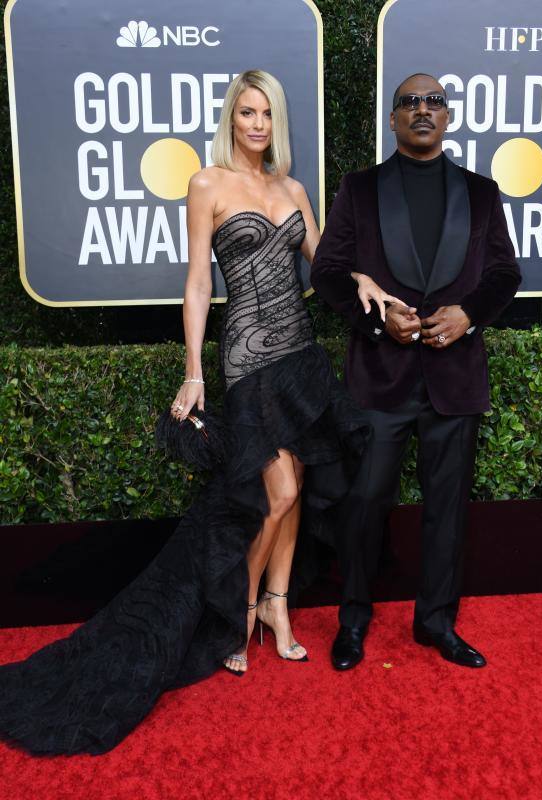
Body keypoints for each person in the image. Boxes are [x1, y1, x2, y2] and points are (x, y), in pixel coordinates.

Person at [0, 70, 393, 756]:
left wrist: (357, 275)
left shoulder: (292, 190)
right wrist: (192, 369)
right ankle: (238, 614)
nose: (256, 125)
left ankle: (275, 606)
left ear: (276, 122)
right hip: (245, 355)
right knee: (281, 488)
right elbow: (196, 280)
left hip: (298, 354)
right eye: (246, 113)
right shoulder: (207, 185)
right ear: (230, 119)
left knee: (295, 483)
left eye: (266, 113)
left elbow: (324, 263)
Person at [311, 72, 522, 672]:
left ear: (448, 116)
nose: (422, 110)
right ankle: (353, 620)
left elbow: (505, 274)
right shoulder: (360, 189)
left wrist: (469, 315)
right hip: (379, 379)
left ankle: (436, 623)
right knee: (364, 504)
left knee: (447, 509)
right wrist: (378, 323)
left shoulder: (482, 193)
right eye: (410, 103)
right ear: (394, 118)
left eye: (433, 102)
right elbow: (328, 271)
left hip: (454, 380)